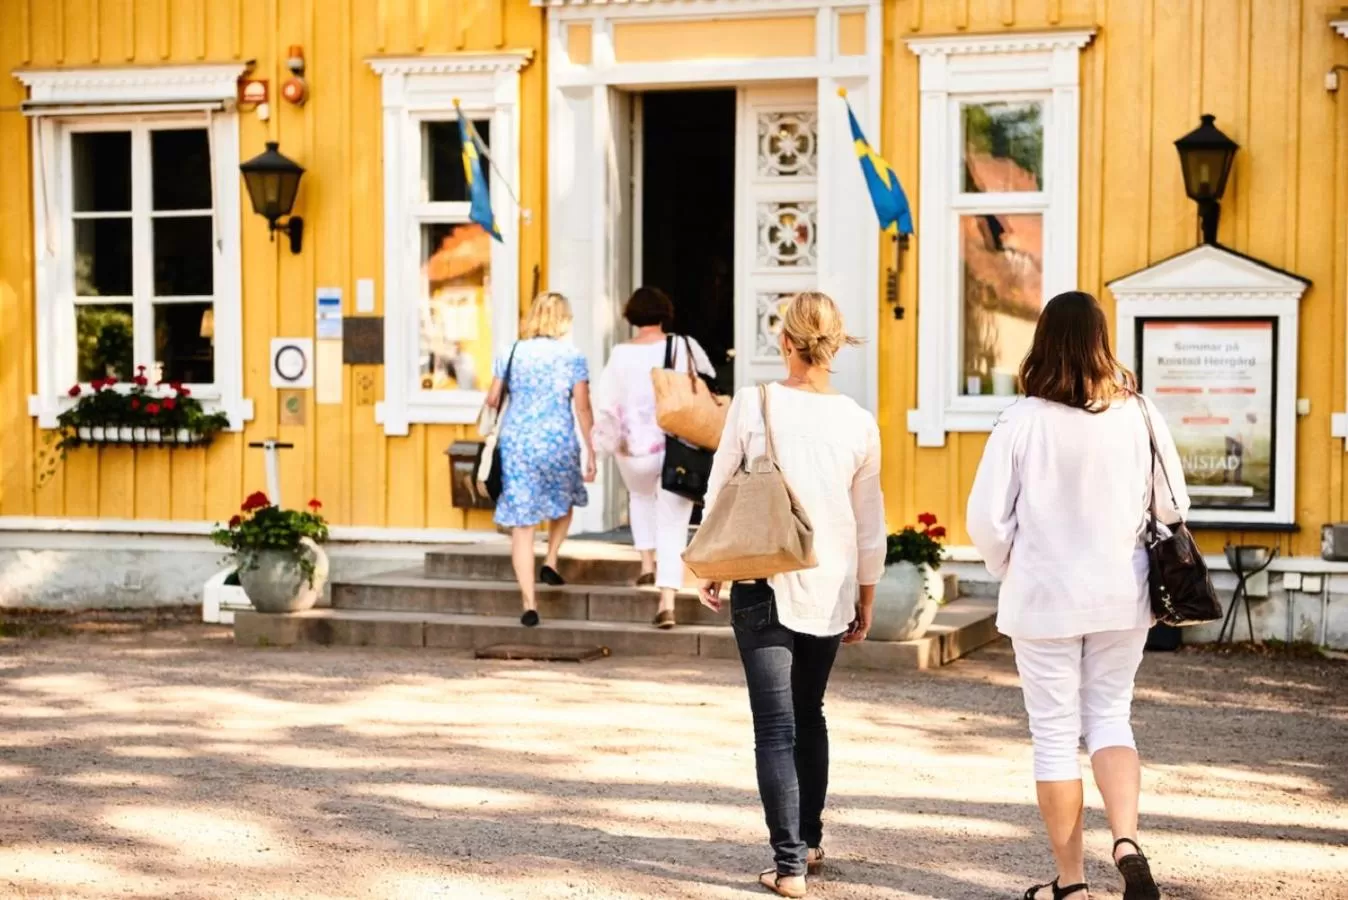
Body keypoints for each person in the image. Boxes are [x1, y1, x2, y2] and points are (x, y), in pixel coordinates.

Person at [966, 291, 1182, 900]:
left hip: (1044, 597)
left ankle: (1072, 884)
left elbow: (985, 518)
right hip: (1123, 594)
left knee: (1056, 734)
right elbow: (1173, 506)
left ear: (1044, 343)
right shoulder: (1140, 415)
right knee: (1112, 717)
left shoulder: (1021, 420)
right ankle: (1126, 841)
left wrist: (1008, 561)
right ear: (1101, 342)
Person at [698, 292, 885, 899]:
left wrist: (707, 563)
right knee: (811, 715)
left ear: (785, 341)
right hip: (830, 584)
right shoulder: (858, 421)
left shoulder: (754, 404)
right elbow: (868, 521)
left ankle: (789, 868)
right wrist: (868, 593)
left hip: (761, 579)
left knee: (775, 728)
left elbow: (721, 484)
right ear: (835, 345)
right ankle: (809, 842)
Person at [593, 287, 717, 629]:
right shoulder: (683, 346)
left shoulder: (619, 354)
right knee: (673, 523)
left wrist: (602, 446)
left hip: (632, 449)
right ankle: (667, 603)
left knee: (640, 497)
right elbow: (710, 378)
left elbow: (606, 404)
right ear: (664, 313)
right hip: (675, 447)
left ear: (631, 316)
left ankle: (647, 564)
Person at [484, 292, 596, 628]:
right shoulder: (572, 357)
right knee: (564, 503)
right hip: (558, 441)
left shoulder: (512, 352)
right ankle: (551, 558)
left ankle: (529, 603)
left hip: (518, 444)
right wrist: (592, 448)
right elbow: (582, 406)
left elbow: (492, 398)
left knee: (523, 525)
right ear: (564, 319)